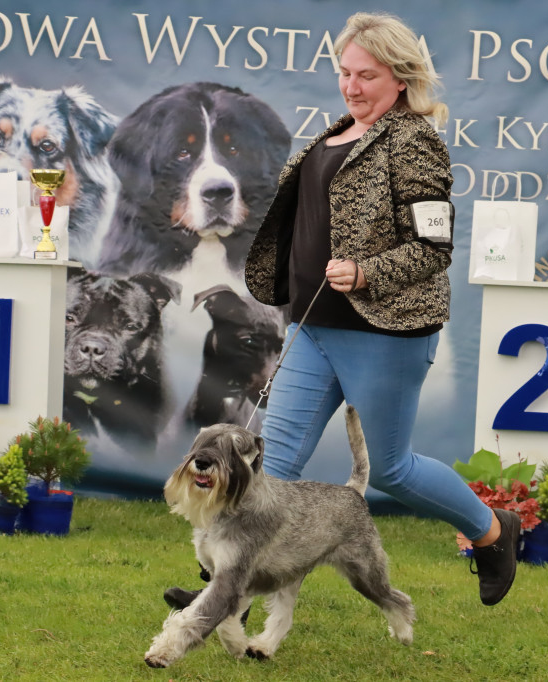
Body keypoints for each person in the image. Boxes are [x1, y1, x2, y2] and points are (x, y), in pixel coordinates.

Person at [165, 11, 519, 609]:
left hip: (384, 330)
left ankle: (492, 532)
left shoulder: (415, 142)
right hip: (313, 326)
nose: (352, 87)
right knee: (268, 464)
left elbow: (434, 247)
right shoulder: (331, 135)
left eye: (368, 76)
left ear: (401, 79)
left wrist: (364, 272)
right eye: (345, 73)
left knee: (391, 469)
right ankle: (223, 592)